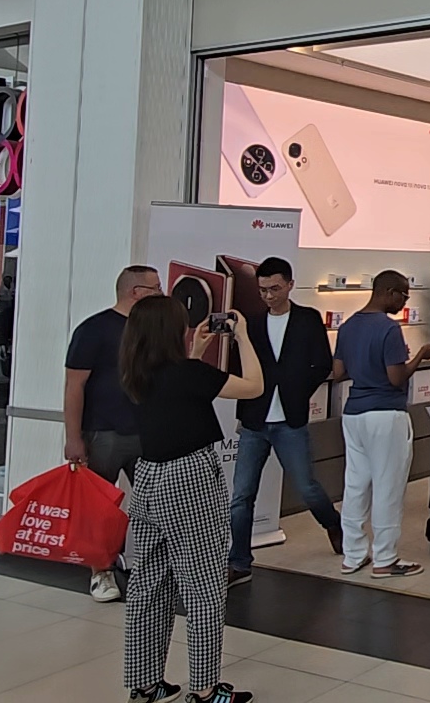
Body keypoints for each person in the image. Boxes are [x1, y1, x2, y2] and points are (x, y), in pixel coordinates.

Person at [119, 297, 265, 703]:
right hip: (190, 480)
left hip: (148, 479)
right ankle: (204, 688)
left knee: (148, 584)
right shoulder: (188, 374)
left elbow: (179, 391)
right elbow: (254, 386)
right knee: (204, 586)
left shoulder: (136, 373)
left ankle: (145, 684)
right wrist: (243, 338)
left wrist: (196, 353)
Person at [228, 257, 341, 587]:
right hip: (254, 420)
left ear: (290, 285)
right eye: (262, 290)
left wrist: (298, 391)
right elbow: (238, 366)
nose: (268, 296)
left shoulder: (307, 319)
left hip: (290, 419)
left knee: (307, 487)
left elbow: (322, 364)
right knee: (241, 495)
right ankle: (239, 561)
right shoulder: (251, 322)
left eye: (275, 289)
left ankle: (332, 523)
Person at [65, 264, 164, 602]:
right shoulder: (93, 329)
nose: (161, 293)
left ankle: (151, 566)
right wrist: (73, 437)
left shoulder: (151, 331)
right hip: (103, 432)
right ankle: (100, 572)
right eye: (155, 287)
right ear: (136, 292)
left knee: (155, 503)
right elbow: (74, 385)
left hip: (147, 431)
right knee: (100, 507)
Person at [332, 270, 430, 579]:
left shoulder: (348, 326)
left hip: (354, 414)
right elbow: (396, 378)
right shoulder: (389, 329)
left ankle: (353, 555)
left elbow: (338, 372)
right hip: (386, 415)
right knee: (388, 487)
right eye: (403, 295)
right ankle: (385, 559)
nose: (405, 301)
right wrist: (421, 355)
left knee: (355, 485)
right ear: (389, 292)